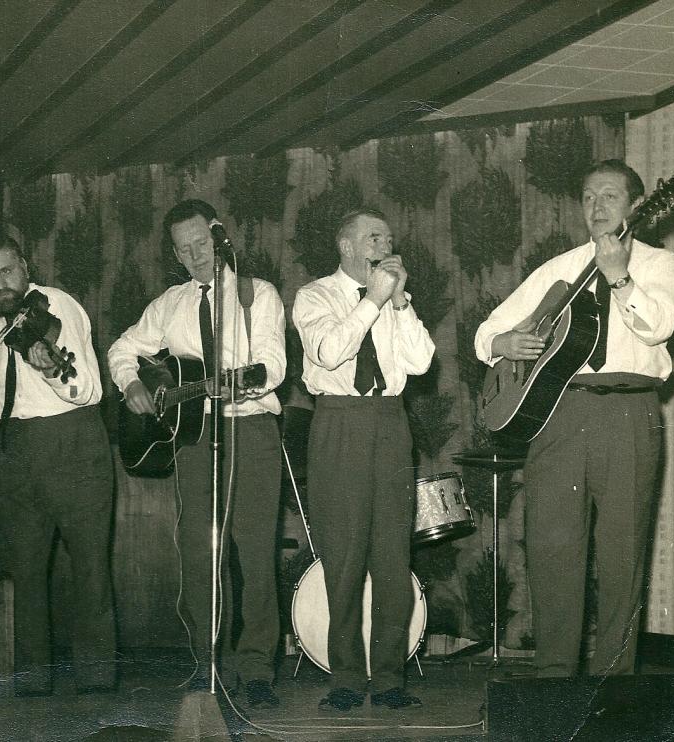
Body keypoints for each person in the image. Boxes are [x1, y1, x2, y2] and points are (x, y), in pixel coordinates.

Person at [475, 159, 674, 678]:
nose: (596, 207)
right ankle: (553, 678)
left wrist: (619, 277)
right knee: (551, 546)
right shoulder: (560, 268)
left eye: (609, 197)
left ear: (637, 206)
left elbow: (657, 328)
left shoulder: (661, 264)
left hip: (628, 412)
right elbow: (487, 332)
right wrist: (503, 341)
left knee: (622, 552)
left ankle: (613, 681)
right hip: (559, 414)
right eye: (589, 197)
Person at [108, 199, 286, 708]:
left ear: (219, 236)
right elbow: (122, 349)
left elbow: (271, 362)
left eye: (201, 244)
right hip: (194, 439)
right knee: (199, 551)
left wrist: (246, 381)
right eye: (183, 251)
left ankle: (255, 669)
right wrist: (131, 386)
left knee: (254, 552)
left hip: (250, 430)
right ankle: (207, 663)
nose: (195, 257)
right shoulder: (169, 303)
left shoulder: (257, 294)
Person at [0, 233, 116, 695]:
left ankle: (97, 690)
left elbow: (88, 390)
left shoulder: (58, 307)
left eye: (7, 271)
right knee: (24, 574)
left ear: (26, 266)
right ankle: (32, 691)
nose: (0, 285)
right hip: (14, 451)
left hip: (73, 441)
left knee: (90, 571)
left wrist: (52, 371)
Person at [292, 208, 434, 712]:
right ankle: (347, 680)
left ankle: (391, 678)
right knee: (345, 558)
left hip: (391, 424)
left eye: (390, 238)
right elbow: (329, 352)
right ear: (346, 246)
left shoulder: (392, 301)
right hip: (338, 423)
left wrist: (398, 304)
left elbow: (420, 361)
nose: (385, 245)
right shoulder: (315, 296)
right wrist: (372, 300)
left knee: (393, 557)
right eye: (374, 237)